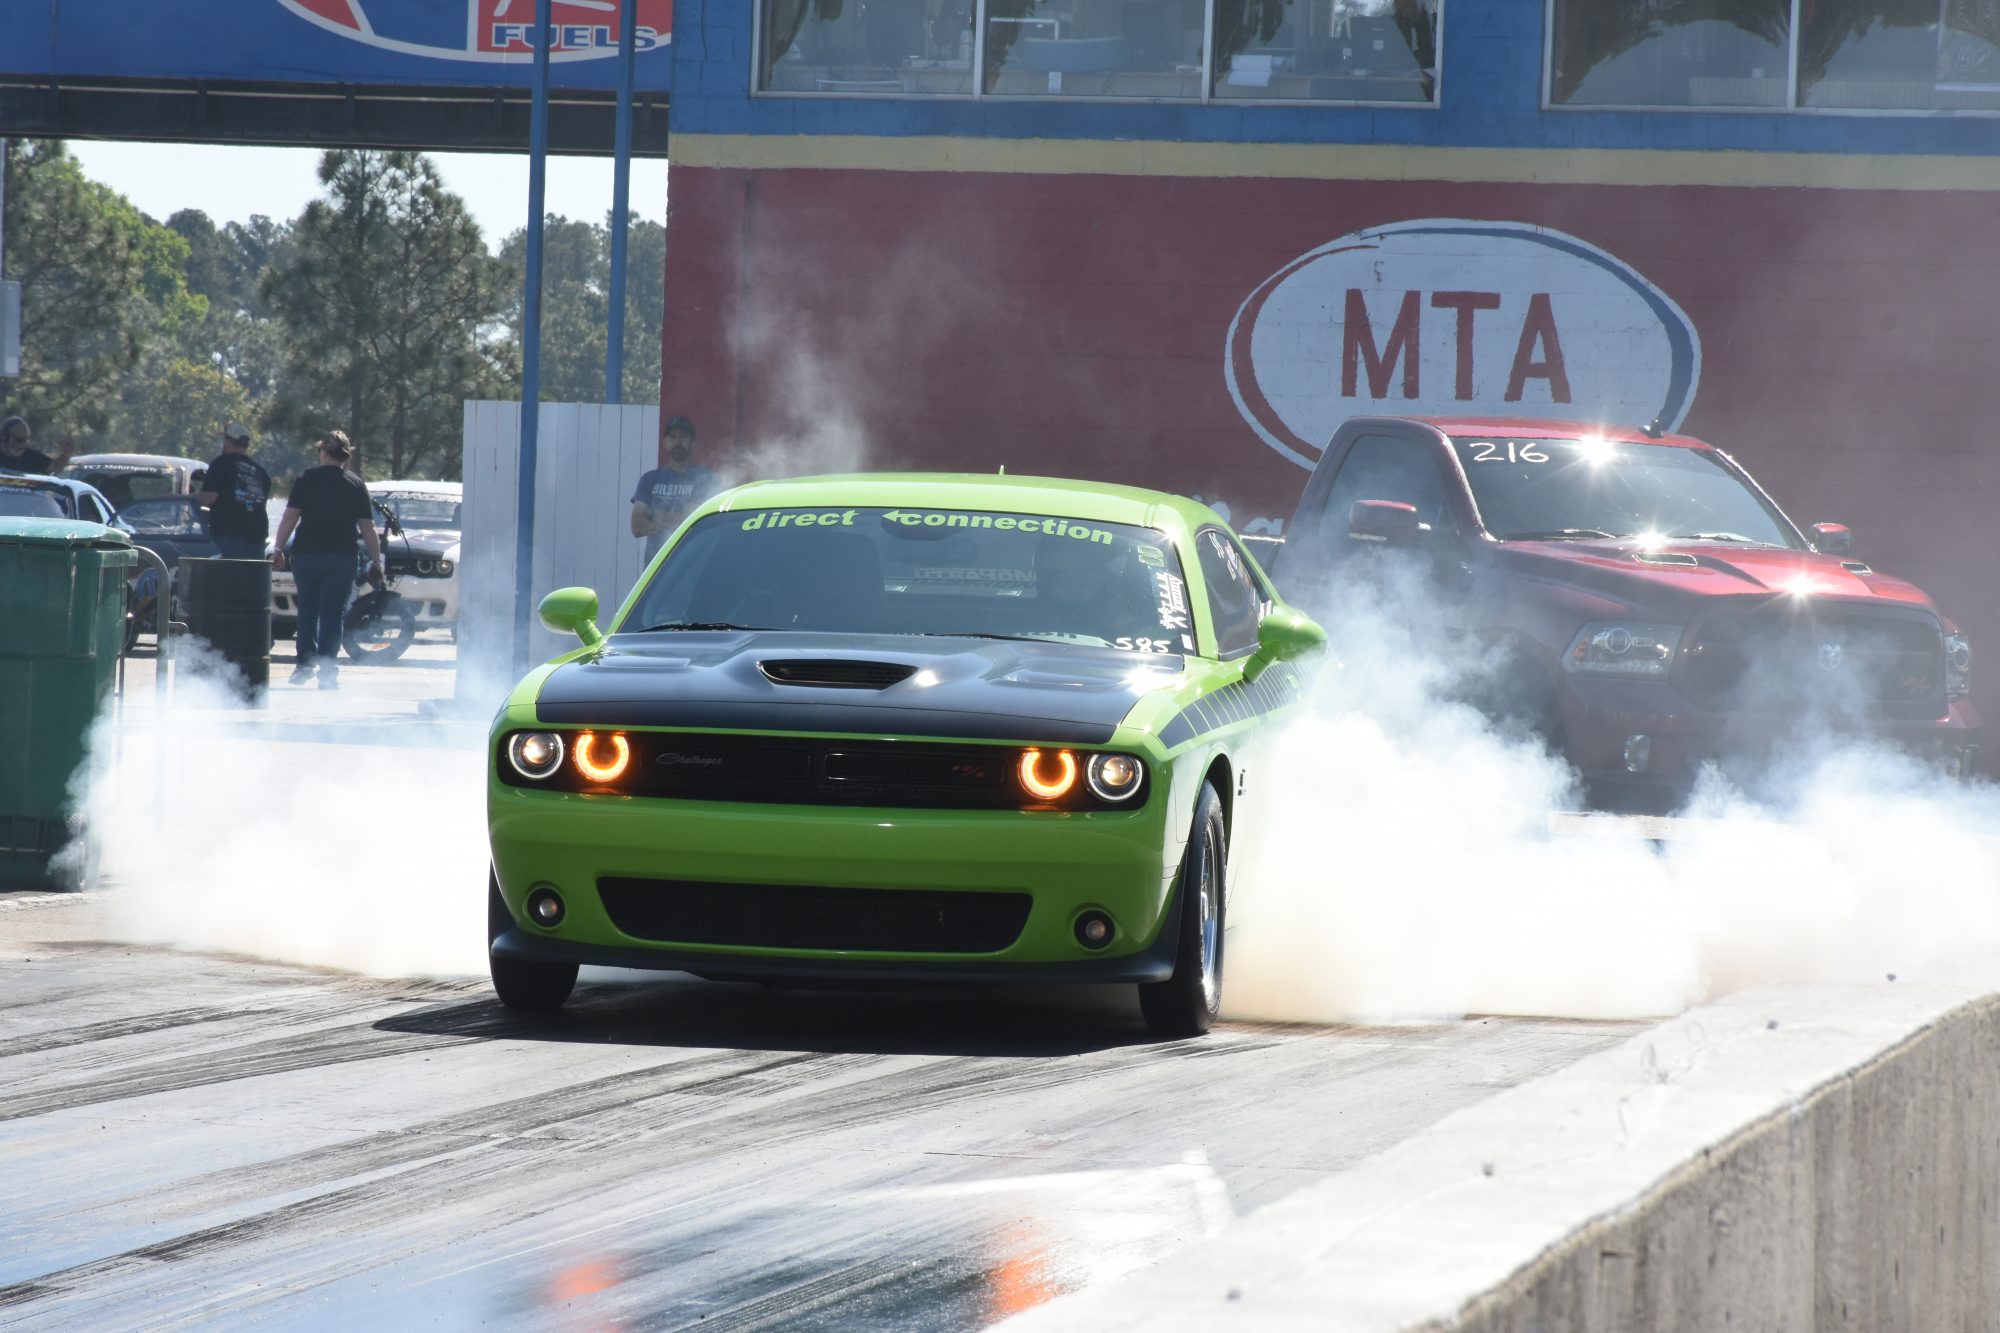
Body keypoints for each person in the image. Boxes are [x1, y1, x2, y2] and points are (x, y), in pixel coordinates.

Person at [271, 430, 383, 690]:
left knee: (307, 610)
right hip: (341, 557)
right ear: (345, 455)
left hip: (306, 556)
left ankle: (304, 665)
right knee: (333, 614)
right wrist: (377, 562)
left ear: (323, 452)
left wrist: (278, 548)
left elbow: (290, 517)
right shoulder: (355, 484)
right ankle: (328, 671)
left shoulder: (306, 479)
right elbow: (368, 528)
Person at [630, 415, 721, 562]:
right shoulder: (650, 479)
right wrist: (681, 517)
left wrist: (655, 515)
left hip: (692, 566)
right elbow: (637, 526)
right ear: (665, 443)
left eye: (683, 437)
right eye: (672, 437)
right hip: (656, 571)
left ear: (693, 444)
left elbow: (700, 522)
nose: (678, 441)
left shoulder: (706, 479)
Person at [196, 423, 273, 559]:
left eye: (225, 440)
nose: (223, 444)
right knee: (250, 579)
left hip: (228, 534)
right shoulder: (262, 473)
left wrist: (187, 497)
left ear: (230, 442)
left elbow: (209, 498)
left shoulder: (221, 463)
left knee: (230, 577)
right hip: (257, 534)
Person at [0, 416, 73, 476]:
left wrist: (66, 454)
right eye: (19, 440)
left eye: (26, 440)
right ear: (4, 436)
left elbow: (54, 467)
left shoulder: (31, 456)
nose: (24, 444)